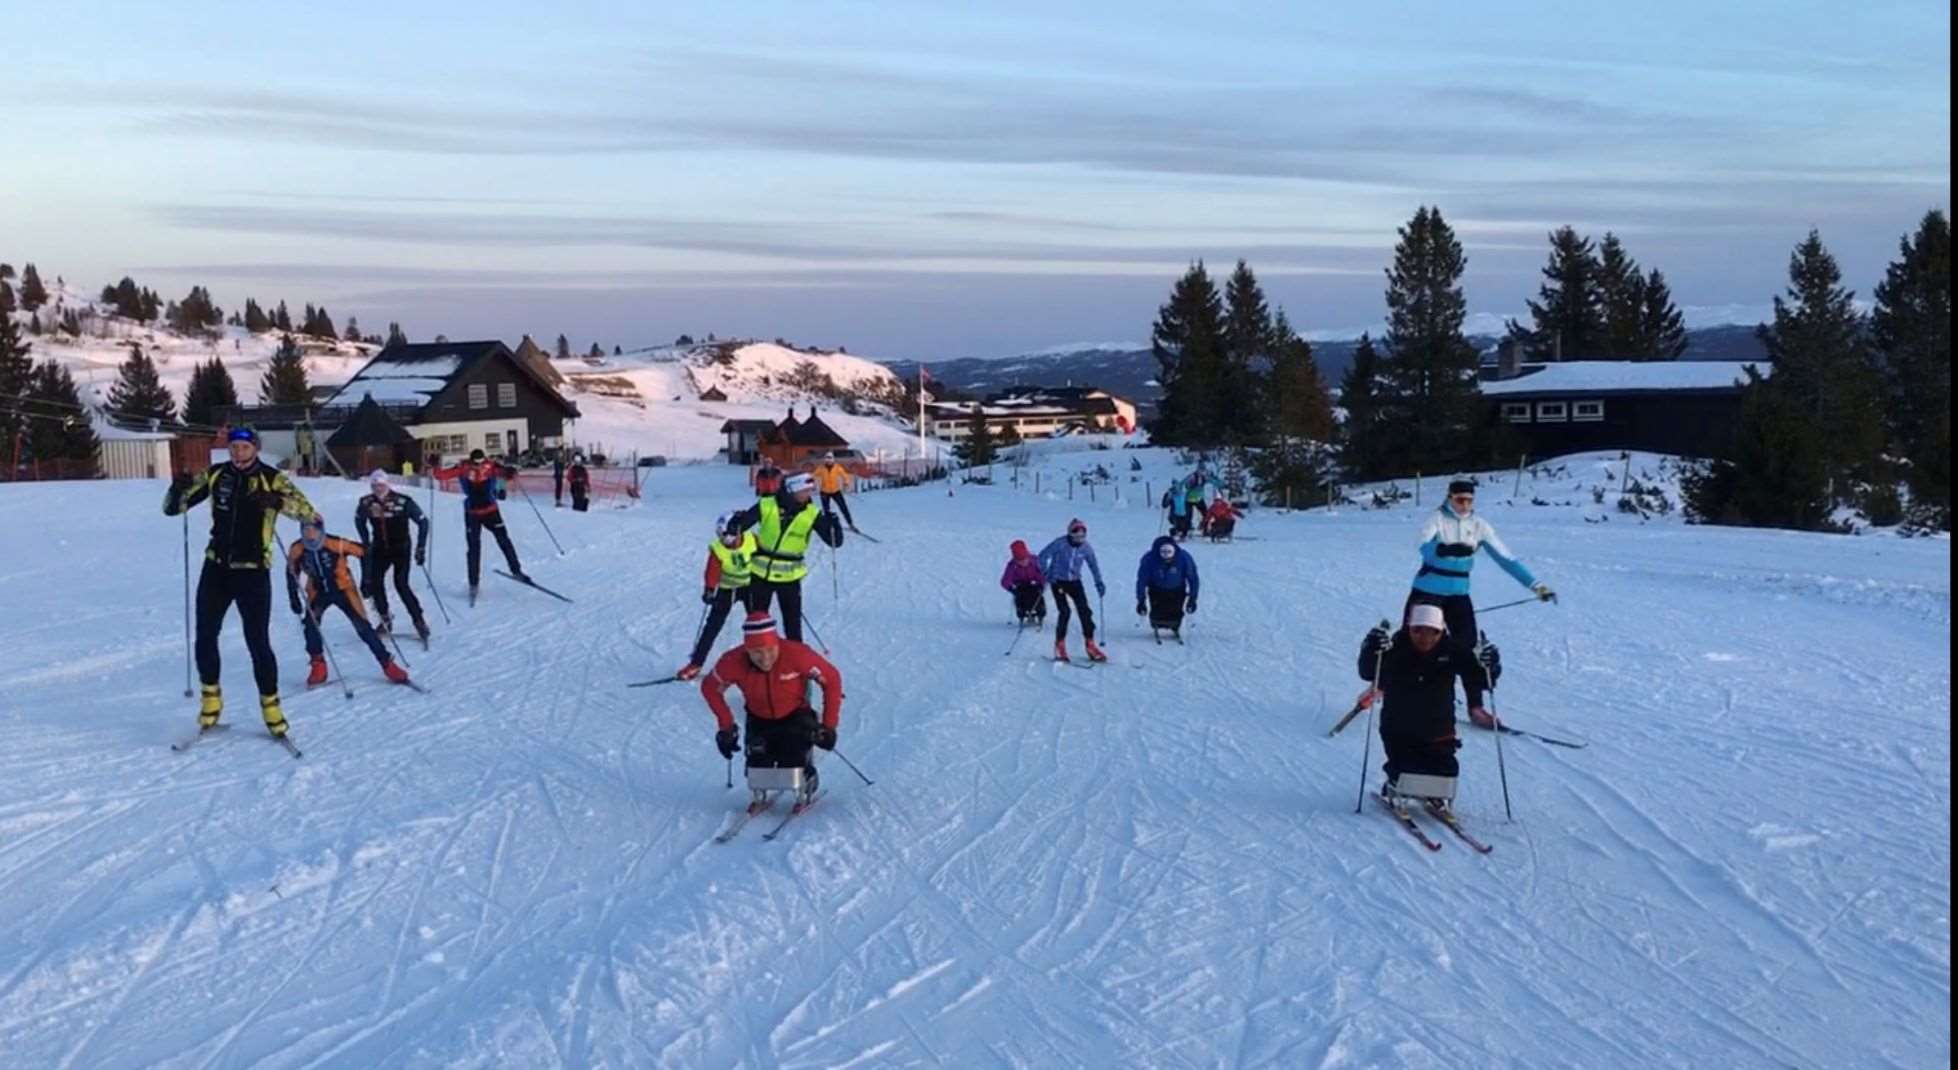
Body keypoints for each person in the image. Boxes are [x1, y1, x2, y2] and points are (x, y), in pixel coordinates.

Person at [163, 427, 318, 736]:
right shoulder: (216, 474)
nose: (238, 452)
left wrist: (275, 501)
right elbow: (173, 508)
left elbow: (310, 515)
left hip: (253, 570)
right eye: (233, 447)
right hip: (216, 568)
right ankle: (210, 702)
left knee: (257, 642)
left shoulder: (272, 478)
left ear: (255, 449)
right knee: (205, 636)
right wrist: (176, 488)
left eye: (244, 447)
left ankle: (272, 708)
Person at [1407, 477, 1554, 727]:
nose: (1464, 504)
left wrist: (1535, 585)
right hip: (1427, 592)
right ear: (1449, 498)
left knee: (1469, 650)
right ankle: (1387, 688)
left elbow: (1506, 558)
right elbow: (1422, 545)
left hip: (1458, 595)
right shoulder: (1437, 519)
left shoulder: (1478, 526)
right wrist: (1443, 550)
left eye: (1469, 500)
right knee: (1414, 644)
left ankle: (1475, 707)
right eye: (1459, 499)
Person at [1358, 605, 1499, 806]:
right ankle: (1395, 784)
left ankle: (1430, 792)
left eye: (1433, 632)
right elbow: (1368, 672)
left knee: (1445, 774)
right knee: (1406, 773)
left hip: (1438, 727)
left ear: (1441, 631)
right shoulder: (1395, 647)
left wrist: (1490, 665)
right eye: (1418, 631)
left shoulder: (1452, 649)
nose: (1425, 638)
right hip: (1400, 727)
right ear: (1409, 629)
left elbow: (1482, 680)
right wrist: (1370, 649)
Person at [701, 612, 843, 804]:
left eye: (770, 649)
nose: (765, 658)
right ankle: (760, 791)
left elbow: (831, 679)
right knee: (758, 762)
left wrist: (829, 725)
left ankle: (806, 778)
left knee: (792, 758)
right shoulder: (732, 662)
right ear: (747, 650)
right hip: (759, 717)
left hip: (795, 715)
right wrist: (726, 727)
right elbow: (710, 688)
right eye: (757, 652)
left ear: (777, 642)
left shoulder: (797, 654)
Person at [286, 516, 411, 687]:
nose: (310, 533)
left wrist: (367, 581)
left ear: (320, 529)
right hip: (318, 591)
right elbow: (291, 571)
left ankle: (387, 664)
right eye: (305, 529)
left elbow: (364, 552)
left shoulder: (335, 543)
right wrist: (293, 596)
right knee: (310, 624)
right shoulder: (297, 548)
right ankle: (318, 666)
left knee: (363, 627)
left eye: (313, 528)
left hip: (343, 589)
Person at [726, 472, 843, 642]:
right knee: (757, 622)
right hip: (761, 575)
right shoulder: (766, 504)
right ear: (792, 489)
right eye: (805, 490)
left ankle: (796, 661)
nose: (808, 494)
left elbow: (835, 542)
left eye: (810, 490)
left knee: (793, 625)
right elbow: (739, 527)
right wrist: (735, 522)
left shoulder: (812, 513)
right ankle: (756, 657)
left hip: (790, 577)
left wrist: (835, 526)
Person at [429, 448, 526, 595]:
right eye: (476, 463)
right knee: (474, 548)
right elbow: (441, 476)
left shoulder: (492, 466)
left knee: (504, 540)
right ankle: (473, 583)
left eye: (481, 463)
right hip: (472, 513)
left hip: (491, 511)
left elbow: (506, 474)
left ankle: (516, 570)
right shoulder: (463, 467)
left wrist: (511, 472)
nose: (479, 466)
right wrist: (435, 465)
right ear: (471, 460)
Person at [676, 511, 760, 680]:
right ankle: (696, 663)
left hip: (750, 586)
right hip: (727, 589)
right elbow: (712, 570)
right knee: (712, 626)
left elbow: (763, 557)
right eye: (722, 537)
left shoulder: (752, 539)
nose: (726, 541)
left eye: (728, 536)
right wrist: (709, 589)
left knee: (757, 623)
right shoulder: (718, 549)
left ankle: (762, 659)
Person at [353, 470, 430, 641]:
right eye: (374, 486)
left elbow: (423, 522)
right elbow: (359, 520)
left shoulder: (403, 501)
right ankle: (385, 618)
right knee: (375, 582)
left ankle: (419, 620)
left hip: (401, 547)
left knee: (401, 584)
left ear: (387, 485)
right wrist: (365, 540)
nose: (378, 489)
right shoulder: (367, 502)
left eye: (381, 485)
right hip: (380, 547)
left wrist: (421, 547)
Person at [1036, 518, 1106, 662]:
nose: (1079, 539)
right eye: (1076, 535)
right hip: (1058, 582)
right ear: (1070, 533)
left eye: (1082, 536)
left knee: (1084, 611)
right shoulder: (1060, 544)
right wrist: (1045, 573)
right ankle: (1059, 644)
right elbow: (1042, 556)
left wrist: (1099, 582)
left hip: (1075, 582)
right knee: (1065, 611)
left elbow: (1093, 565)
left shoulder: (1086, 548)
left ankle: (1090, 644)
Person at [1135, 535, 1199, 636]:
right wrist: (1141, 600)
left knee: (1175, 611)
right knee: (1157, 612)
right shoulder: (1149, 559)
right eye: (1163, 553)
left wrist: (1193, 598)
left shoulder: (1184, 557)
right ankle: (1156, 622)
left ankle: (1175, 624)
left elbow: (1193, 578)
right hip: (1157, 590)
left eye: (1169, 553)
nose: (1166, 557)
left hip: (1177, 590)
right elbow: (1142, 580)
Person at [999, 539, 1046, 626]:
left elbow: (1043, 573)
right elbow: (1005, 581)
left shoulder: (1035, 561)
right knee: (1021, 597)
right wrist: (1012, 589)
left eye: (1024, 559)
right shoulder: (1012, 566)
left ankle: (1040, 613)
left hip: (1034, 584)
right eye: (1020, 561)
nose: (1023, 563)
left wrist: (1042, 584)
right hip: (1020, 586)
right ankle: (1021, 613)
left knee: (1037, 596)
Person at [812, 451, 857, 529]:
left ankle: (850, 523)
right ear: (825, 460)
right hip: (824, 492)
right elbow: (813, 475)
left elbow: (844, 475)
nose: (828, 461)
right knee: (826, 510)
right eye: (827, 459)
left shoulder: (837, 467)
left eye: (830, 459)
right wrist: (810, 483)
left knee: (843, 507)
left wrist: (846, 483)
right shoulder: (821, 468)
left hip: (835, 491)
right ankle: (828, 524)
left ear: (833, 459)